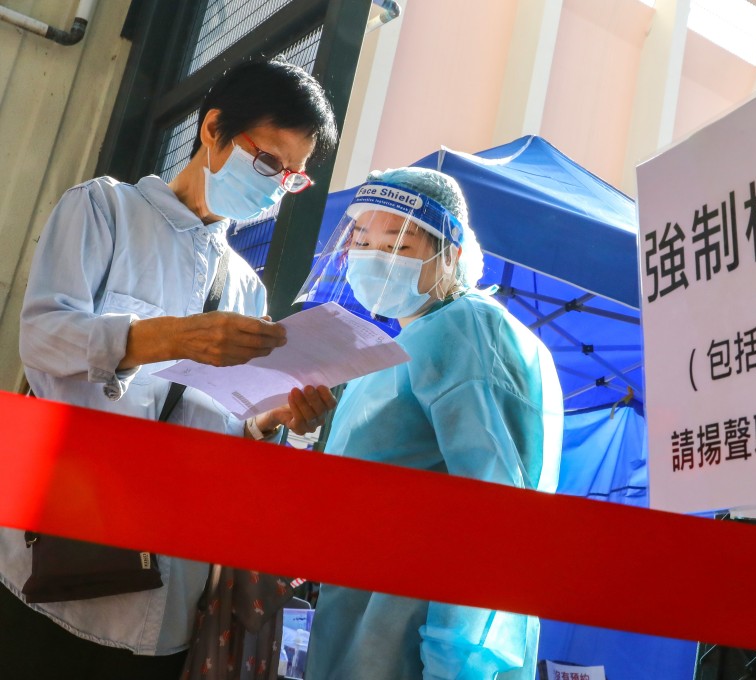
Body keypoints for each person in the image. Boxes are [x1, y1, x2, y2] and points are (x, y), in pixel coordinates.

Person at [0, 58, 338, 680]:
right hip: (55, 563)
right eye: (269, 162)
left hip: (169, 594)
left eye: (291, 176)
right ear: (212, 129)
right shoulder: (105, 209)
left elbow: (226, 428)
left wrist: (276, 421)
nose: (274, 187)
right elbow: (43, 338)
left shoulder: (247, 287)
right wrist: (172, 338)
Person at [301, 167, 563, 680]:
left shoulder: (467, 329)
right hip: (359, 620)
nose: (375, 258)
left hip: (412, 640)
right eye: (362, 242)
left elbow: (496, 508)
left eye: (398, 246)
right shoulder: (405, 345)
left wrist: (457, 658)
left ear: (451, 255)